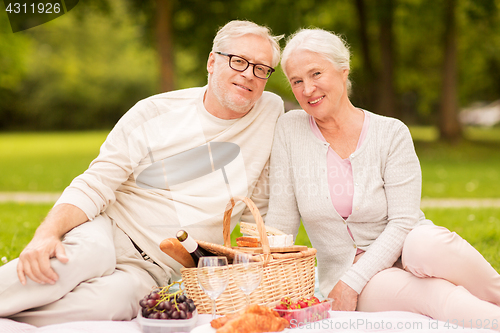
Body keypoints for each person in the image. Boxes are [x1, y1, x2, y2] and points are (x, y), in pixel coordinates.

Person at [0, 20, 284, 326]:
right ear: (212, 61)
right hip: (110, 228)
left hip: (157, 268)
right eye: (239, 61)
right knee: (83, 258)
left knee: (111, 303)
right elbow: (96, 182)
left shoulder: (269, 113)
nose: (249, 75)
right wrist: (47, 234)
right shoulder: (155, 112)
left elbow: (259, 204)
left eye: (261, 68)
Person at [265, 28, 500, 330]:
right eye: (297, 81)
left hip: (408, 246)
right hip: (359, 277)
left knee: (426, 242)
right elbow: (281, 223)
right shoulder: (290, 130)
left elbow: (404, 221)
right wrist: (260, 273)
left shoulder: (391, 133)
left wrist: (352, 282)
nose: (307, 89)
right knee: (438, 296)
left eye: (316, 74)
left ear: (343, 70)